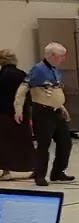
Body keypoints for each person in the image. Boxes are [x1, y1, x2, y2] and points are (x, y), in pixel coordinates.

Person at [13, 42, 75, 186]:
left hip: (56, 112)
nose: (63, 59)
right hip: (42, 112)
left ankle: (58, 171)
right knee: (43, 145)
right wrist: (18, 109)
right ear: (52, 56)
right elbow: (23, 89)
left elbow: (54, 91)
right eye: (61, 56)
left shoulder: (56, 70)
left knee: (65, 142)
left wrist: (62, 108)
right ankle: (40, 175)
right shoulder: (38, 70)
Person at [0, 50, 34, 180]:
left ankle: (6, 171)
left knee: (4, 144)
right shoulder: (22, 74)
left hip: (4, 114)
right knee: (24, 142)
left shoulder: (1, 75)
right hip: (21, 113)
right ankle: (31, 168)